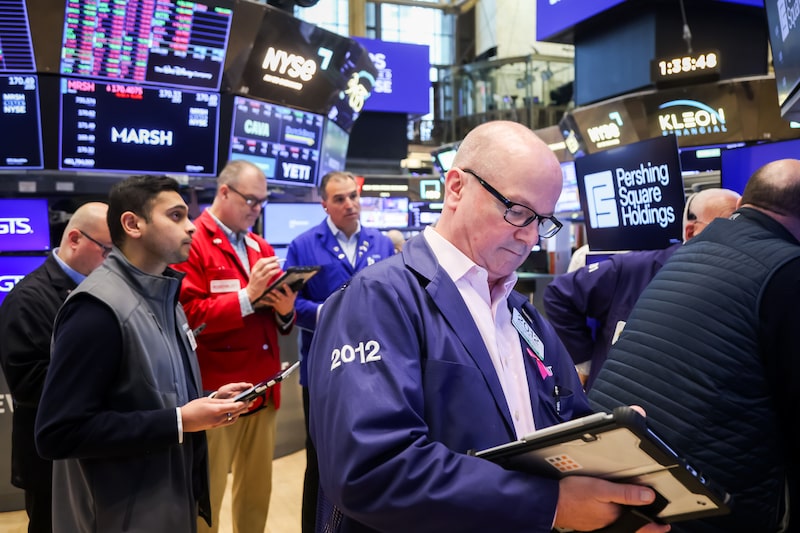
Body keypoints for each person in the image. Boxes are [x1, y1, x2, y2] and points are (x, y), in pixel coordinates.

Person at [306, 121, 671, 533]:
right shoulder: (378, 299)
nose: (530, 237)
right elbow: (371, 469)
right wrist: (549, 505)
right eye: (517, 211)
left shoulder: (523, 316)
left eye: (542, 221)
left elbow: (564, 424)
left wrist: (613, 463)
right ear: (456, 188)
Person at [589, 158, 800, 532]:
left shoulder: (692, 249)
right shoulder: (787, 268)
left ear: (745, 203)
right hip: (698, 503)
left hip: (611, 479)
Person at [34, 175, 252, 532]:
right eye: (176, 216)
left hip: (164, 505)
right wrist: (180, 421)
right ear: (132, 224)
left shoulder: (166, 298)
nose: (192, 226)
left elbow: (147, 395)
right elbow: (58, 432)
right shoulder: (96, 309)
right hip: (118, 517)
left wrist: (205, 401)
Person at [171, 159, 298, 533]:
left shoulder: (260, 244)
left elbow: (275, 317)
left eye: (262, 202)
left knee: (257, 492)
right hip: (217, 393)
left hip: (264, 387)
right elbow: (188, 318)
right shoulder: (192, 242)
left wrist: (285, 311)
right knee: (208, 495)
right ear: (224, 192)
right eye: (251, 200)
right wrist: (247, 297)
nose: (257, 209)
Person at [284, 170, 395, 533]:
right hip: (323, 369)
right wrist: (328, 314)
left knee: (373, 451)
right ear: (324, 205)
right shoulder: (303, 245)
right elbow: (288, 302)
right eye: (339, 199)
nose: (350, 204)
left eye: (353, 196)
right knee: (320, 458)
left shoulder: (380, 243)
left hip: (376, 367)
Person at [543, 188, 741, 390]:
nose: (742, 240)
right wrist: (586, 363)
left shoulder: (740, 289)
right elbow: (558, 295)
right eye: (731, 228)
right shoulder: (634, 268)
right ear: (691, 232)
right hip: (614, 398)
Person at [0, 201, 110, 533]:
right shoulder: (27, 298)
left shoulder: (104, 289)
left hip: (99, 450)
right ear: (75, 239)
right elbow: (29, 384)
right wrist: (111, 374)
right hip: (50, 461)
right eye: (107, 250)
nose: (114, 261)